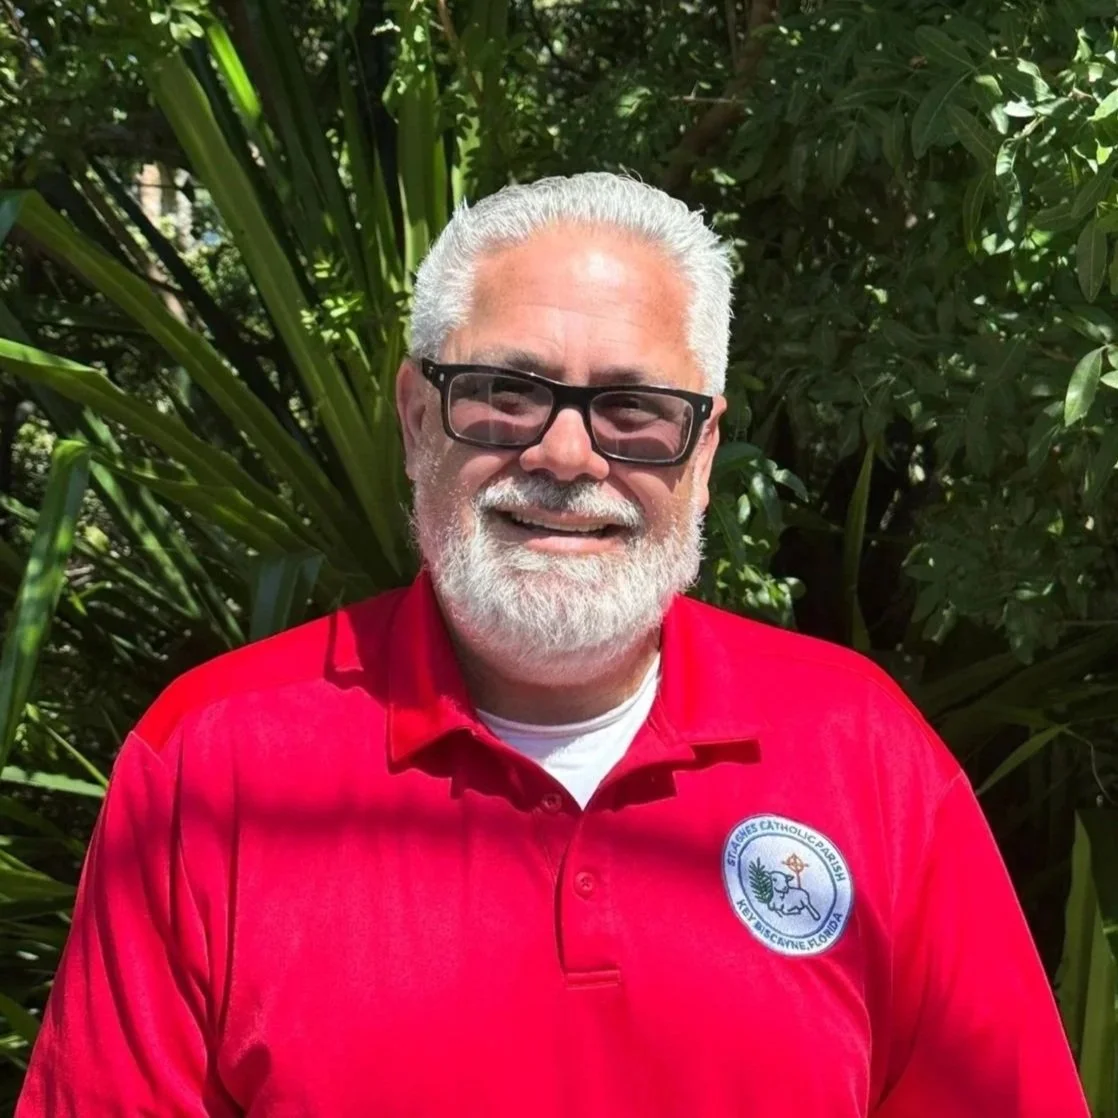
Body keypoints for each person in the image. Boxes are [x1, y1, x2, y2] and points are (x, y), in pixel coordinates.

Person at [16, 173, 1088, 1117]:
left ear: (701, 453)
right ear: (416, 418)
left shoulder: (865, 751)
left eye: (633, 408)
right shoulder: (212, 763)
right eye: (507, 394)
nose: (567, 454)